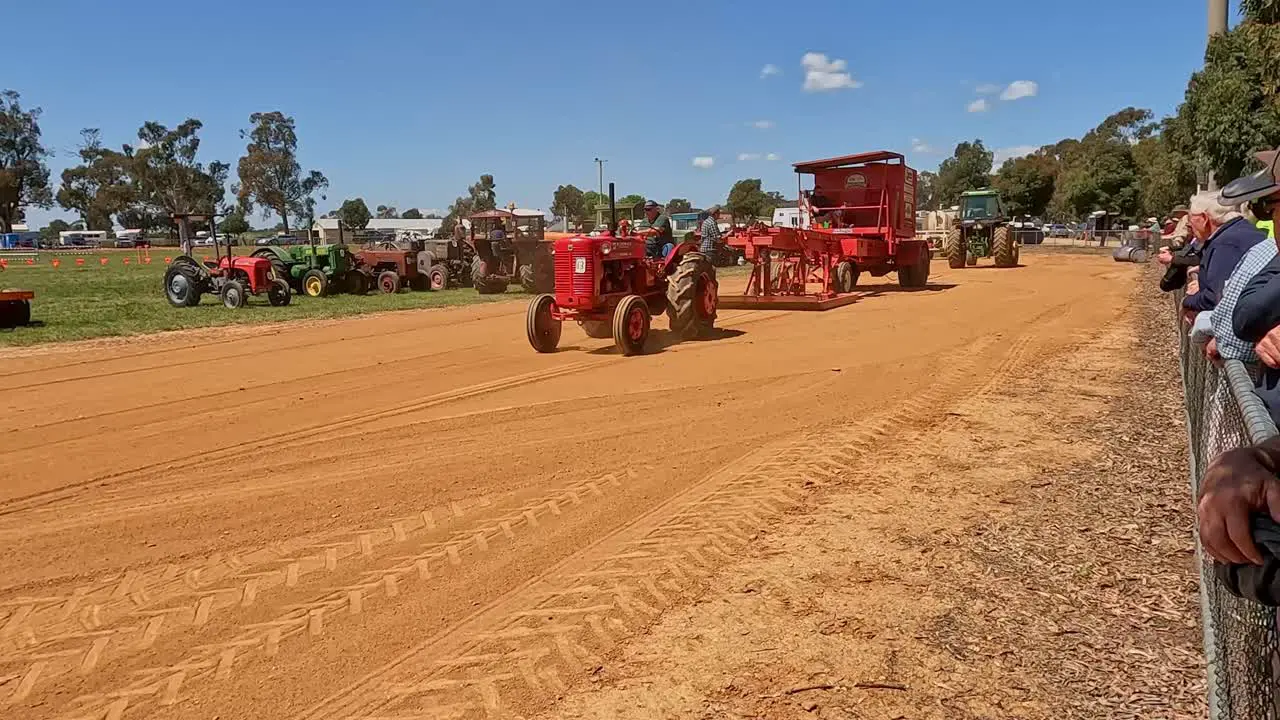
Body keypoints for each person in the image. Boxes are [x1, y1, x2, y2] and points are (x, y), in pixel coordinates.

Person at [1181, 190, 1267, 322]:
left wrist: (1187, 302)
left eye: (1190, 220)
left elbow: (1215, 297)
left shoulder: (1225, 243)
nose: (1189, 226)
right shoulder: (1242, 230)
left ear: (1204, 219)